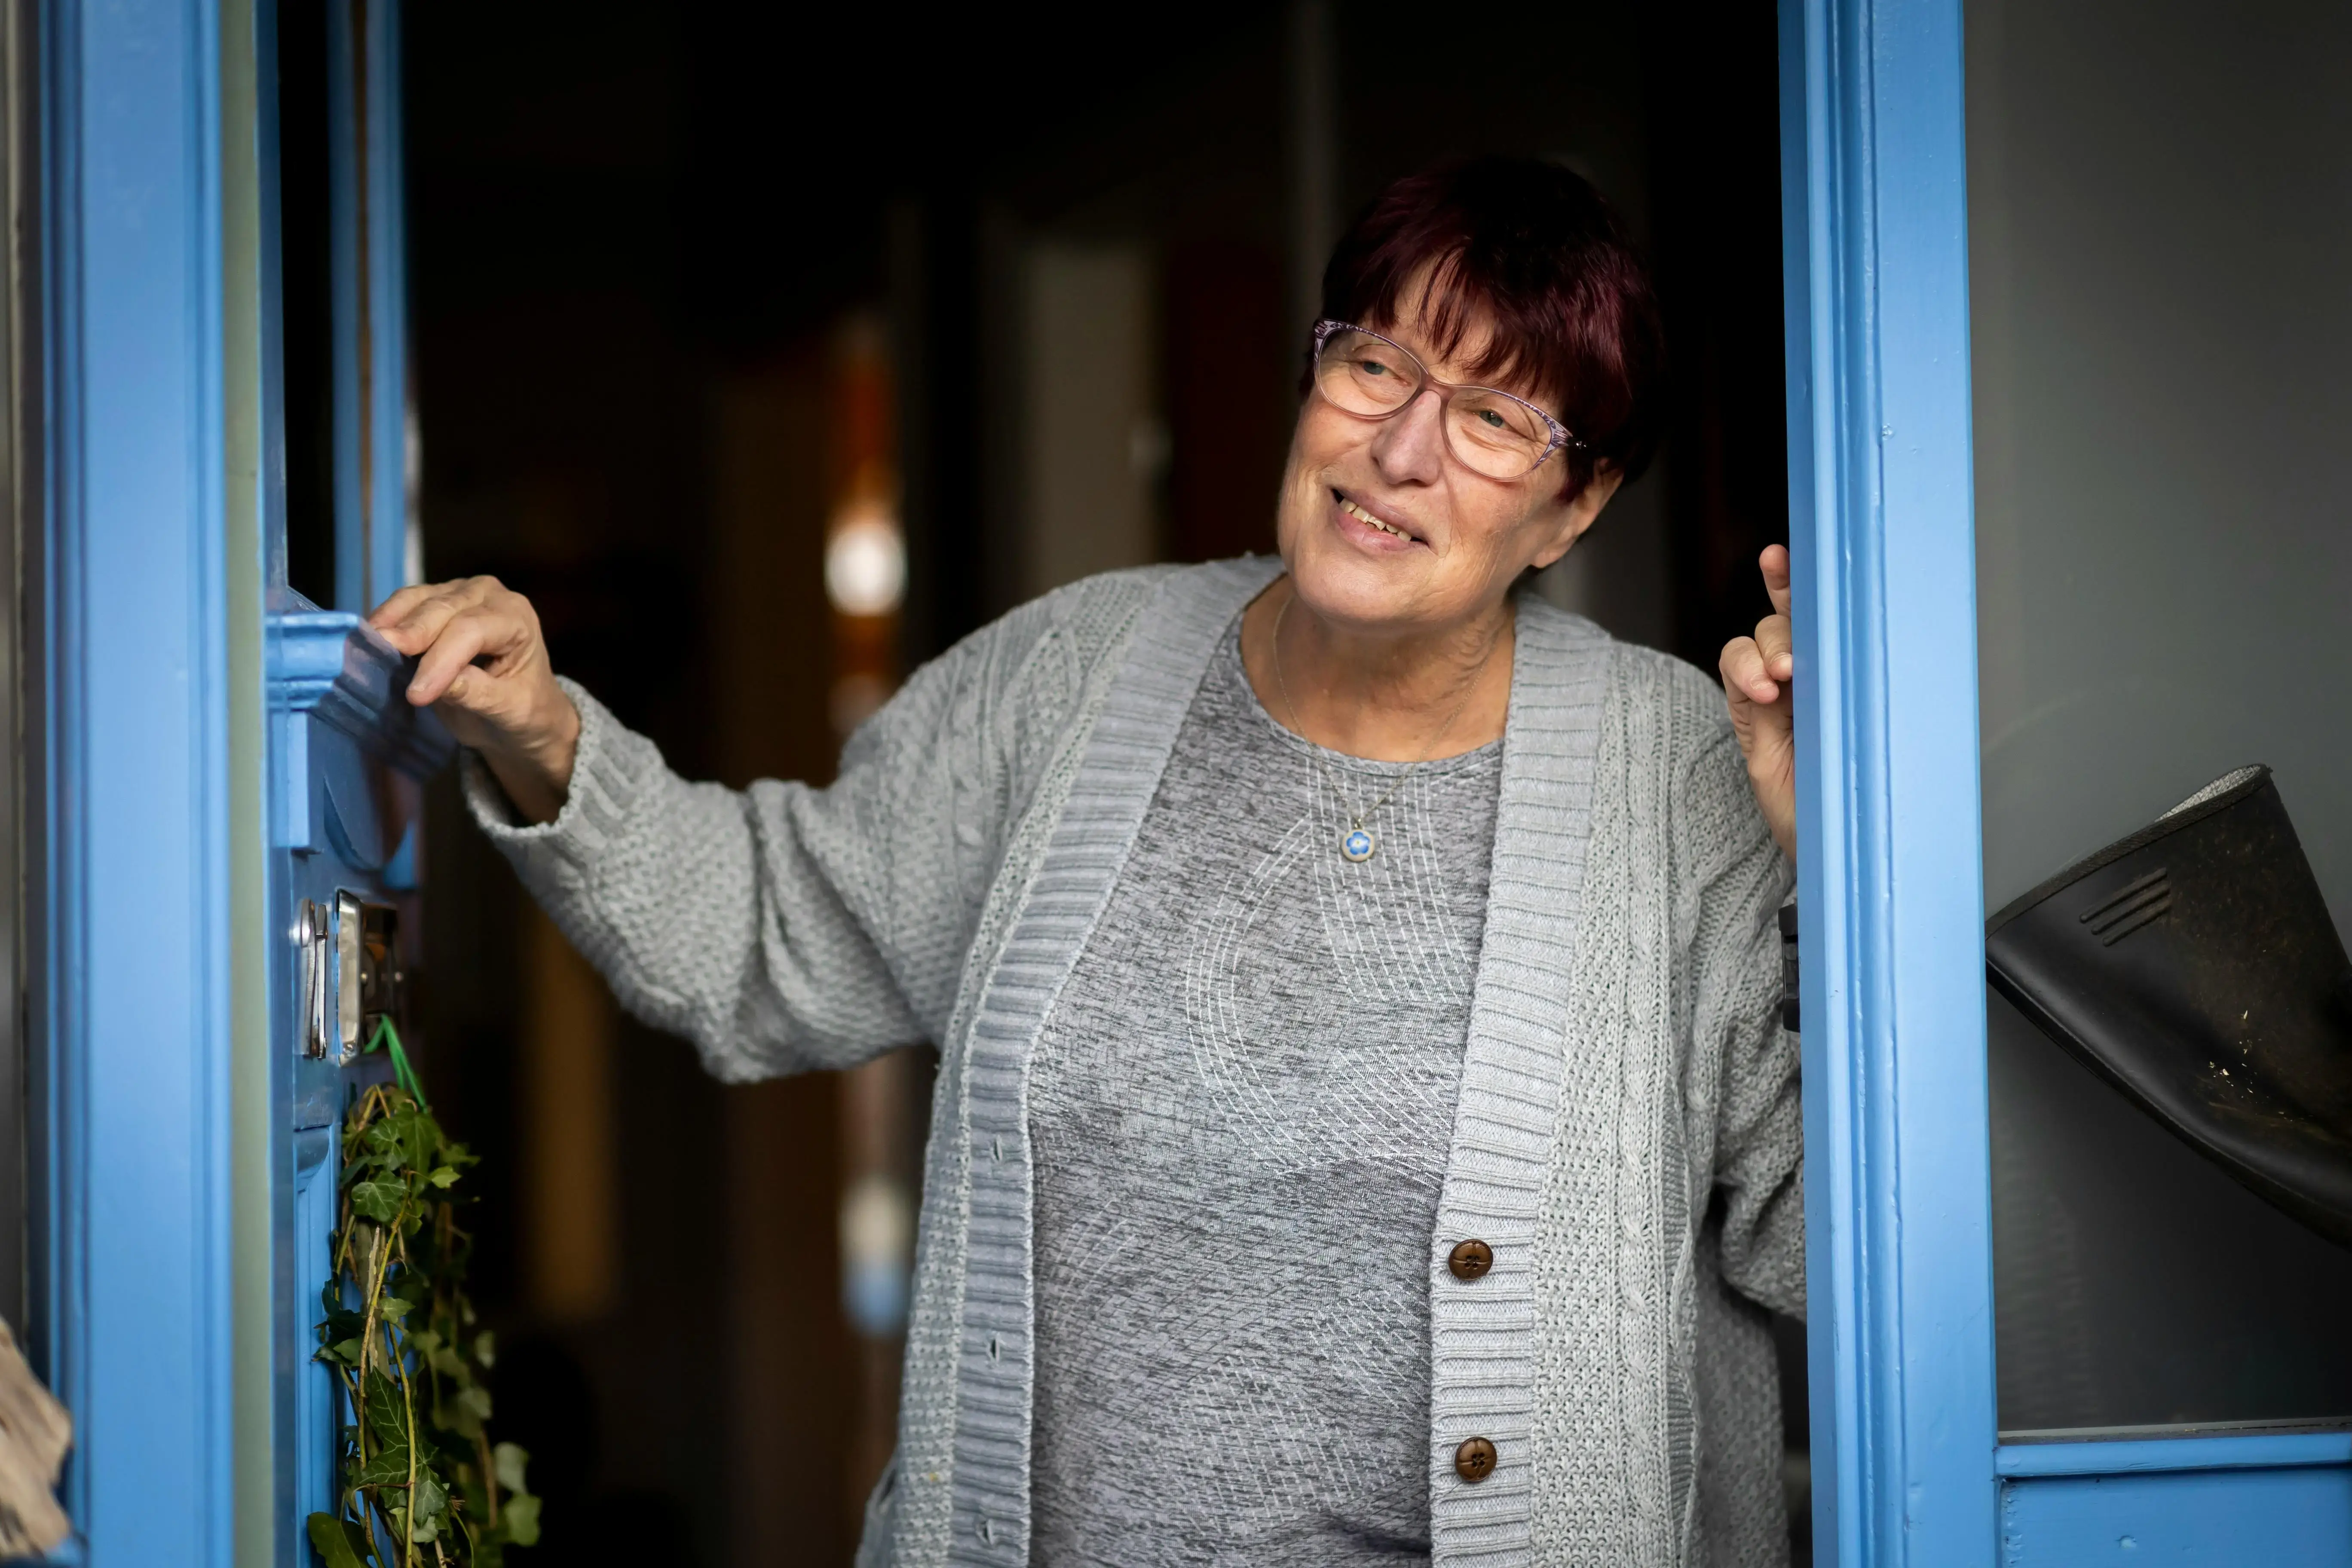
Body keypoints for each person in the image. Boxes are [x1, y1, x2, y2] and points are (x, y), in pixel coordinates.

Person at [373, 155, 1802, 1568]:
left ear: (1577, 505)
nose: (1404, 449)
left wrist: (1836, 877)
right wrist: (544, 728)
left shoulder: (1676, 777)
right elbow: (770, 931)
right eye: (1376, 366)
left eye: (1494, 418)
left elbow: (1835, 1247)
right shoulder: (1081, 672)